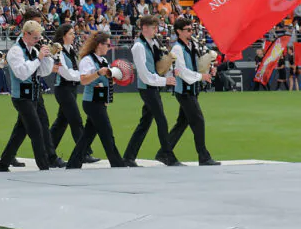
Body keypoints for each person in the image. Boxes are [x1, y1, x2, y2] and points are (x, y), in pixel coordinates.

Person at [0, 20, 59, 171]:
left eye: (39, 38)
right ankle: (44, 166)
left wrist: (48, 56)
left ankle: (3, 163)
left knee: (20, 132)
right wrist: (38, 59)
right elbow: (22, 73)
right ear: (26, 34)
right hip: (21, 97)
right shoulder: (16, 51)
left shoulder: (33, 50)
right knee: (36, 130)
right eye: (35, 37)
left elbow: (44, 72)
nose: (38, 40)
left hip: (34, 95)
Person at [123, 15, 180, 167]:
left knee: (145, 123)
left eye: (156, 27)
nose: (156, 30)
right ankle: (167, 155)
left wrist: (168, 70)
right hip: (147, 88)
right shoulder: (139, 46)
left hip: (153, 87)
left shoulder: (153, 42)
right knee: (161, 120)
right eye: (153, 27)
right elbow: (144, 74)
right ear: (144, 28)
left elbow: (158, 65)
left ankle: (128, 156)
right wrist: (164, 80)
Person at [66, 32, 126, 169]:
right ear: (100, 45)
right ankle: (118, 164)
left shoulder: (103, 61)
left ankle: (73, 164)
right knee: (107, 133)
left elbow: (105, 81)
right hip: (92, 102)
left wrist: (115, 79)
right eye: (107, 44)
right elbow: (84, 80)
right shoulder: (87, 60)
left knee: (87, 136)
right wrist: (99, 73)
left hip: (99, 102)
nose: (109, 47)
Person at [166, 18, 220, 166]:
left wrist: (209, 68)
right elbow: (182, 71)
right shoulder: (177, 48)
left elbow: (198, 64)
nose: (191, 32)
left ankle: (164, 152)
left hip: (191, 90)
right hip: (184, 91)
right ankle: (203, 156)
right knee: (198, 121)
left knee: (182, 123)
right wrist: (201, 76)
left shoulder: (191, 45)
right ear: (178, 32)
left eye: (191, 30)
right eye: (188, 30)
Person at [47, 23, 92, 164]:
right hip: (63, 88)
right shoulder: (58, 51)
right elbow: (65, 72)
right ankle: (83, 153)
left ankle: (47, 151)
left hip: (71, 89)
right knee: (76, 120)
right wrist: (81, 76)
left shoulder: (71, 49)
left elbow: (75, 69)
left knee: (61, 122)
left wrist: (80, 75)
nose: (74, 36)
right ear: (64, 35)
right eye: (71, 33)